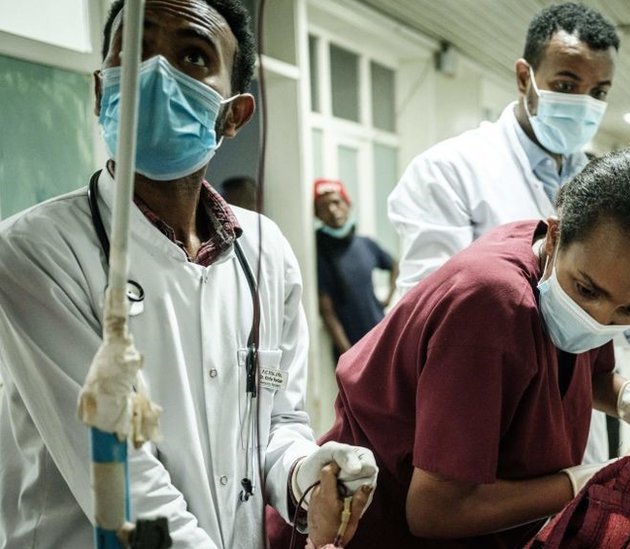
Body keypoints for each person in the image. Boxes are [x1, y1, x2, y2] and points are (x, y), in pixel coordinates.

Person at [0, 1, 376, 547]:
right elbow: (124, 479)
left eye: (192, 56)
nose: (154, 73)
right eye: (132, 53)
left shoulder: (266, 251)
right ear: (102, 89)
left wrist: (306, 477)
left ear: (233, 115)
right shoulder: (35, 251)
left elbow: (275, 423)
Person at [270, 148, 630, 548]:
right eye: (587, 291)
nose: (599, 319)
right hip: (375, 528)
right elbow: (433, 511)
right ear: (557, 234)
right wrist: (582, 482)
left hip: (476, 522)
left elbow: (592, 372)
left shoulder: (565, 260)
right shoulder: (489, 305)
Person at [387, 0, 619, 465]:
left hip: (576, 409)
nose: (584, 105)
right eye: (567, 85)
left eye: (599, 92)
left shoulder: (603, 184)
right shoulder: (450, 171)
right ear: (523, 78)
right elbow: (430, 314)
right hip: (488, 413)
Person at [313, 178, 398, 362]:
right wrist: (350, 357)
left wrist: (388, 298)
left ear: (348, 204)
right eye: (323, 207)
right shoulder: (321, 253)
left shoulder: (365, 244)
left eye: (336, 202)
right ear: (318, 216)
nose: (332, 210)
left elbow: (394, 265)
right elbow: (328, 313)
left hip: (381, 335)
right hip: (353, 348)